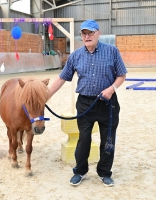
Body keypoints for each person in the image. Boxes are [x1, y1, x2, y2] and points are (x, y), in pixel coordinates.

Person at [48, 19, 127, 187]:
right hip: (85, 103)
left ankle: (104, 172)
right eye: (84, 33)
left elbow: (122, 75)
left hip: (108, 103)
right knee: (84, 139)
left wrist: (111, 89)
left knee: (108, 139)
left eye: (91, 32)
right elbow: (62, 78)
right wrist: (45, 96)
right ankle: (80, 171)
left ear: (98, 33)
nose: (87, 36)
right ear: (81, 36)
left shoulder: (112, 51)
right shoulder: (75, 56)